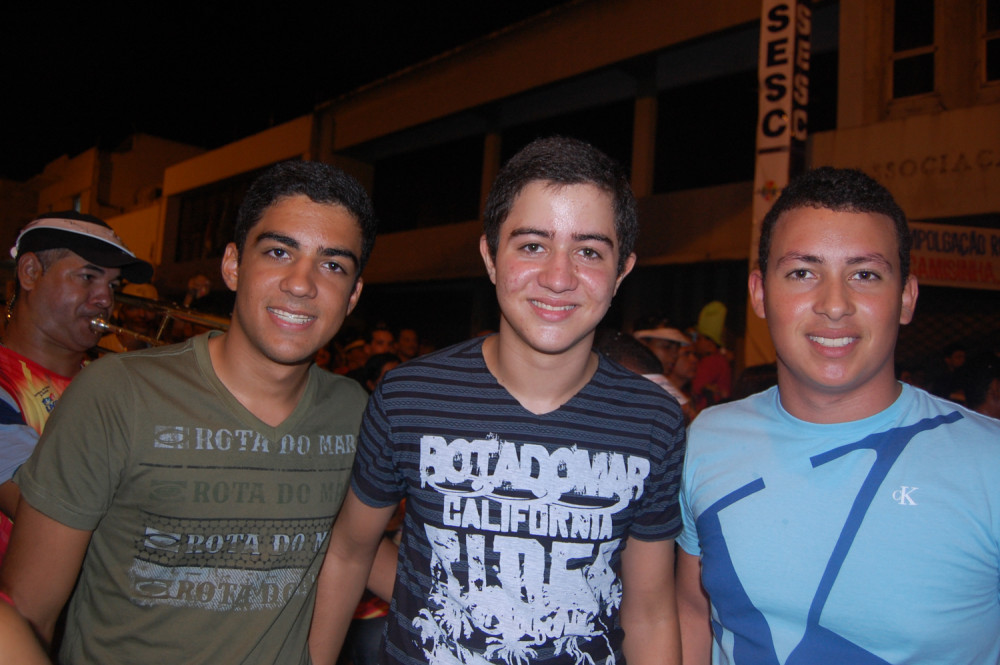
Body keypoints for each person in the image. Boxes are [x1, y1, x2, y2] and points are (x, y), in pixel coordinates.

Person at [310, 136, 686, 665]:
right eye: (532, 245)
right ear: (490, 256)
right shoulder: (410, 396)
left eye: (589, 251)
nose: (558, 278)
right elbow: (350, 554)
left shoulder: (654, 420)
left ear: (622, 269)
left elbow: (650, 611)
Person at [0, 160, 380, 664]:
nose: (301, 283)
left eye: (333, 265)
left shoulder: (355, 411)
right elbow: (28, 612)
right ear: (233, 265)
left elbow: (352, 546)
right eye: (278, 252)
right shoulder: (115, 393)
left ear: (353, 295)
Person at [676, 167, 1000, 664]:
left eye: (864, 274)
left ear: (906, 298)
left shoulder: (987, 460)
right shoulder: (708, 437)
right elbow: (692, 612)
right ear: (760, 294)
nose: (834, 305)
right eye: (802, 273)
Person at [0, 211, 152, 563]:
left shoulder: (112, 383)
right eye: (88, 277)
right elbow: (43, 510)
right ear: (30, 272)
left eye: (113, 286)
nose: (105, 300)